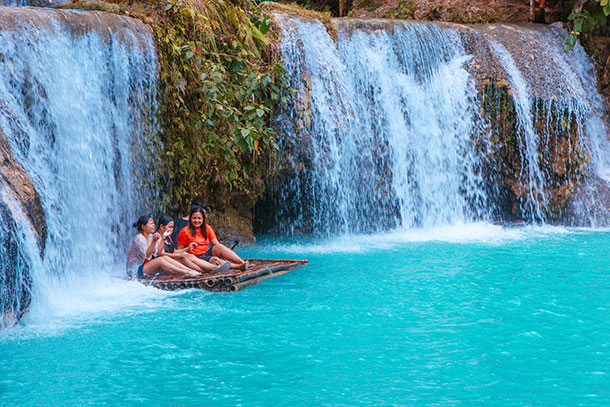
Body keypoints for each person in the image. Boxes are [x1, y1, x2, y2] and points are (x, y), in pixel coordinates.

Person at [126, 214, 205, 279]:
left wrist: (163, 237)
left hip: (145, 266)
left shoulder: (150, 236)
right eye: (151, 223)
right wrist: (154, 241)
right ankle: (186, 273)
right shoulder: (139, 238)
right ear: (143, 226)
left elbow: (157, 252)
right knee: (160, 260)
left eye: (153, 223)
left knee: (164, 258)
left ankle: (190, 271)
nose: (153, 226)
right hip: (135, 270)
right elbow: (148, 255)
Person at [176, 205, 248, 271]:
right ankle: (238, 266)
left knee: (219, 246)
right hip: (195, 257)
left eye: (199, 218)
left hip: (206, 252)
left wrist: (225, 255)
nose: (197, 221)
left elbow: (216, 244)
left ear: (203, 219)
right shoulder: (184, 231)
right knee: (215, 259)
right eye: (194, 218)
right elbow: (179, 250)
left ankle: (242, 262)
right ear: (190, 219)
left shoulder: (207, 228)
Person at [155, 214, 230, 273]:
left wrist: (187, 249)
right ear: (162, 226)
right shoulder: (158, 237)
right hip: (166, 263)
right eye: (169, 227)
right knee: (186, 257)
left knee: (189, 255)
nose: (171, 229)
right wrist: (177, 255)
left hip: (171, 259)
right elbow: (160, 254)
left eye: (172, 227)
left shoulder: (168, 237)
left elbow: (173, 251)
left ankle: (213, 268)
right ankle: (213, 268)